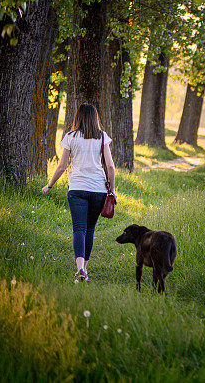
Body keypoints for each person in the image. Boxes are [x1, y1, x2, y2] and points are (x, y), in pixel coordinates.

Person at [42, 103, 116, 282]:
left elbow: (62, 166)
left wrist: (49, 185)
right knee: (89, 229)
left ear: (78, 117)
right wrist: (111, 189)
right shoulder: (101, 137)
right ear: (94, 118)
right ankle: (85, 269)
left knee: (79, 229)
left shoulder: (70, 137)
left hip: (76, 189)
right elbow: (110, 166)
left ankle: (80, 268)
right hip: (98, 190)